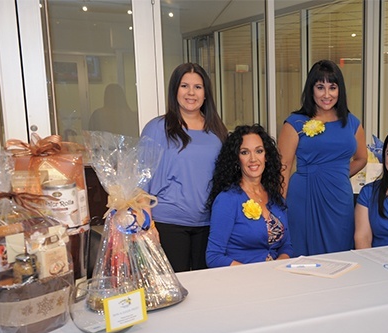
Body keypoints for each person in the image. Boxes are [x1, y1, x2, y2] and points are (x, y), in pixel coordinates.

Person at [142, 62, 228, 272]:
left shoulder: (217, 130)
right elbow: (141, 180)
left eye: (198, 87)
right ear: (175, 91)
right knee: (176, 288)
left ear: (206, 93)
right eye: (184, 86)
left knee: (208, 288)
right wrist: (147, 225)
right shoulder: (157, 128)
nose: (191, 93)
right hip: (168, 223)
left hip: (209, 223)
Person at [278, 59, 367, 256]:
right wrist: (278, 209)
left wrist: (339, 174)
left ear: (340, 90)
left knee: (341, 251)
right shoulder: (295, 122)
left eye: (332, 87)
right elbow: (282, 167)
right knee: (303, 253)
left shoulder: (352, 122)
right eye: (320, 87)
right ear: (311, 90)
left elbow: (361, 158)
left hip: (339, 197)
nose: (327, 95)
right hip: (304, 195)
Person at [206, 124, 292, 267]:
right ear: (236, 159)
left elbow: (286, 246)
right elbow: (214, 256)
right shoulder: (227, 199)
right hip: (243, 280)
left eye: (259, 151)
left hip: (276, 277)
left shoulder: (275, 197)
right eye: (245, 152)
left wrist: (276, 268)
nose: (253, 159)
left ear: (266, 157)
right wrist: (253, 273)